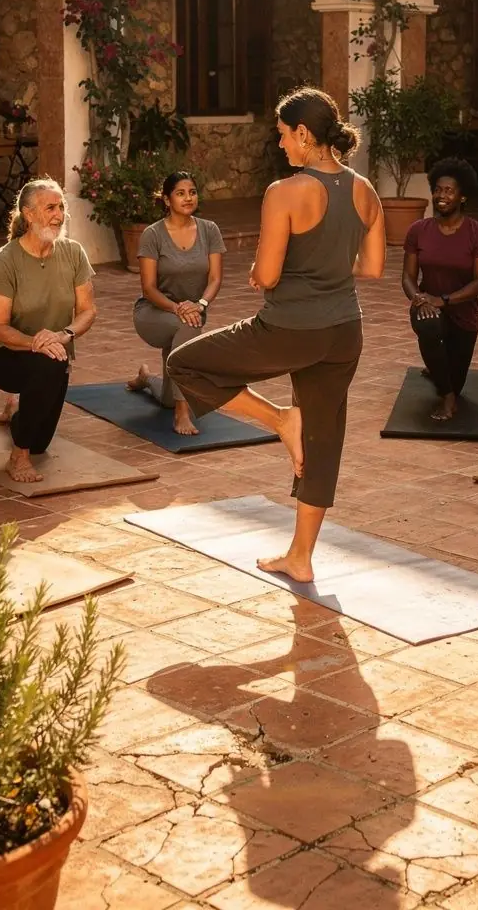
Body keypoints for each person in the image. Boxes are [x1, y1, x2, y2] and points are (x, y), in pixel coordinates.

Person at [168, 86, 385, 583]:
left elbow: (266, 276)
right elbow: (371, 267)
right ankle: (301, 557)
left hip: (290, 327)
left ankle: (280, 420)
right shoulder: (365, 191)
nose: (282, 144)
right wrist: (327, 260)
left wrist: (266, 269)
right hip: (344, 332)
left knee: (184, 364)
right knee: (325, 440)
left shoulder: (284, 192)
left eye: (284, 135)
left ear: (305, 135)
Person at [0, 178, 96, 483]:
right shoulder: (5, 260)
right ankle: (18, 457)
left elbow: (88, 310)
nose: (59, 214)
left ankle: (16, 409)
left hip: (55, 351)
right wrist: (37, 343)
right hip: (6, 355)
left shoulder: (73, 253)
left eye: (61, 207)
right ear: (29, 215)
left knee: (41, 442)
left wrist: (64, 335)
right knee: (49, 364)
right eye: (50, 208)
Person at [126, 170, 226, 435]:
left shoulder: (209, 230)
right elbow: (148, 289)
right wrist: (178, 307)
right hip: (154, 312)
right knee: (190, 327)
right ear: (167, 200)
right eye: (180, 193)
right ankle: (182, 414)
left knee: (168, 396)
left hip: (193, 312)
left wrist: (201, 305)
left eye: (192, 192)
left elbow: (215, 278)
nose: (188, 198)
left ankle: (146, 379)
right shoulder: (152, 234)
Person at [402, 157, 478, 421]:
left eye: (449, 191)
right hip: (428, 306)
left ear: (462, 197)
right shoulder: (418, 230)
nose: (441, 196)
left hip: (463, 313)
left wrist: (442, 299)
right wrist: (419, 299)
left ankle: (441, 374)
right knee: (429, 325)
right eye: (438, 189)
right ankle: (448, 397)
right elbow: (408, 277)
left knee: (457, 378)